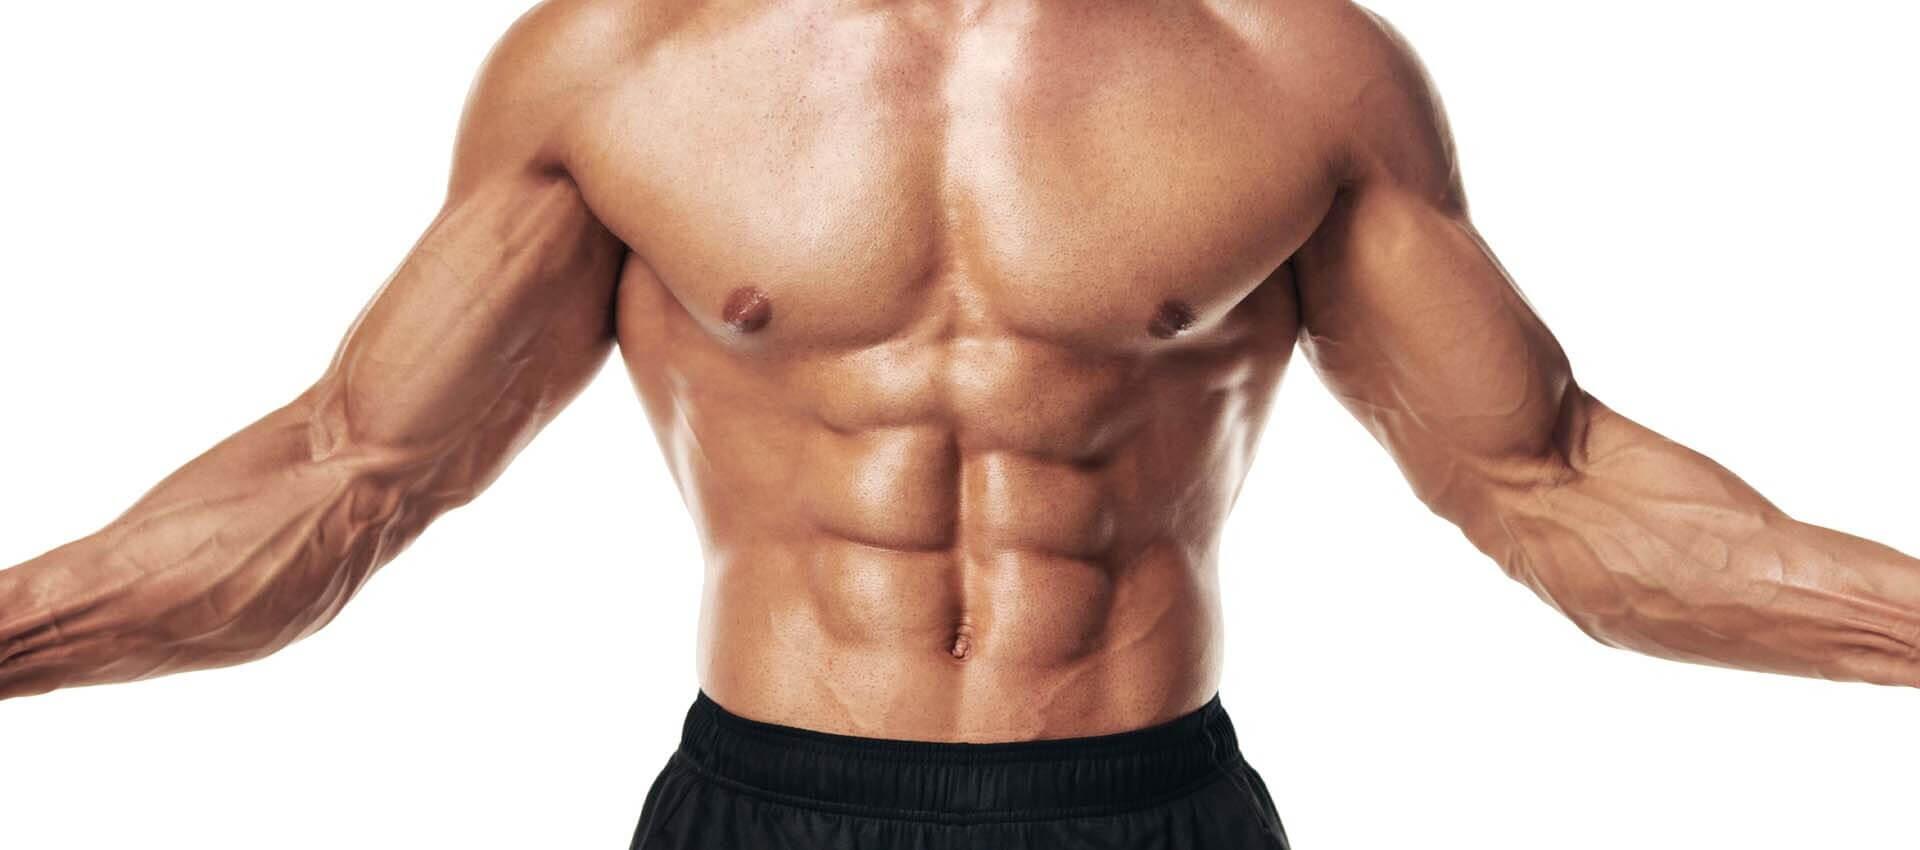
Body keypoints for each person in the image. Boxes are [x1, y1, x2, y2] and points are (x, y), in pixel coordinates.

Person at [2, 1, 1915, 848]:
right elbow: (347, 474)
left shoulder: (1294, 65)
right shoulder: (619, 65)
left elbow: (1546, 482)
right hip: (770, 811)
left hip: (1145, 809)